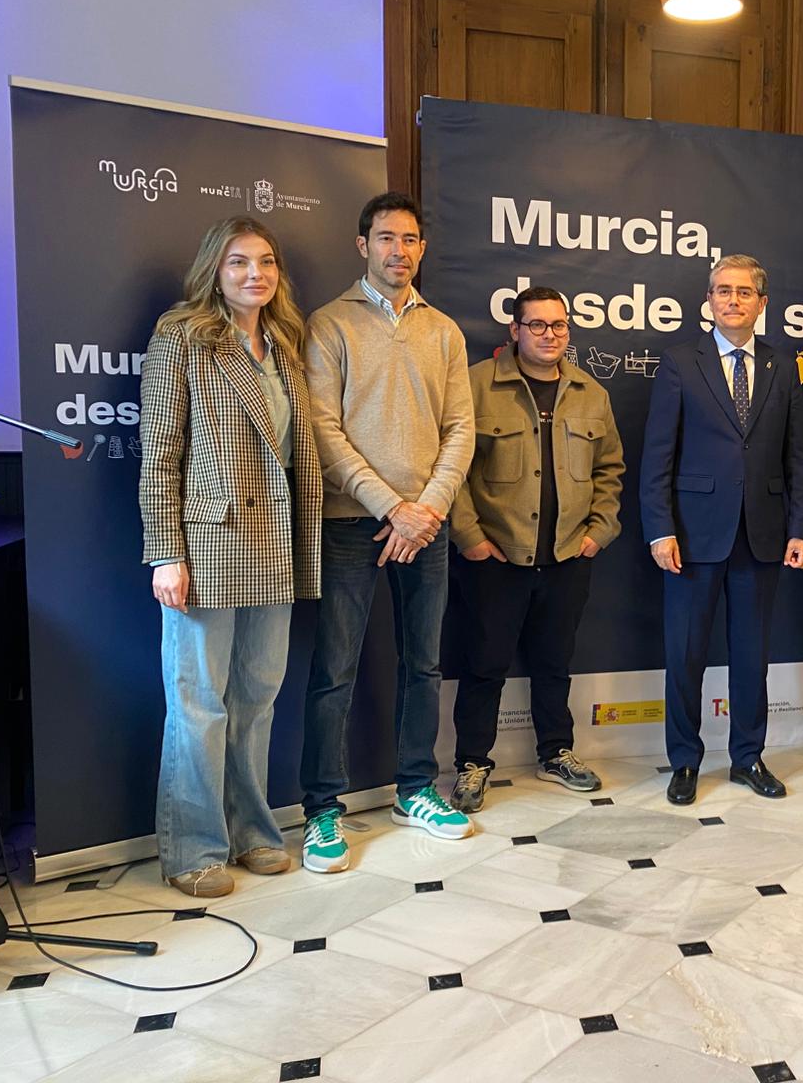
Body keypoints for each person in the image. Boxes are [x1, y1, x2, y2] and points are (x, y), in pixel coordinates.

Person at [138, 216, 323, 897]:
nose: (256, 274)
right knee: (199, 704)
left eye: (266, 261)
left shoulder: (284, 343)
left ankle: (252, 833)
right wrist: (166, 553)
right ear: (214, 270)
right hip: (208, 543)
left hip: (276, 545)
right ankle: (193, 850)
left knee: (256, 700)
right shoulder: (183, 336)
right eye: (239, 261)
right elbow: (160, 453)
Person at [297, 192, 476, 872]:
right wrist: (390, 507)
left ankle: (414, 789)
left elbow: (460, 429)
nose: (398, 251)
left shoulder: (445, 331)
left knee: (423, 665)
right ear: (362, 245)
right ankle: (322, 809)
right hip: (352, 524)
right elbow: (323, 431)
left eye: (409, 239)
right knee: (334, 671)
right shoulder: (329, 324)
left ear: (421, 249)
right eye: (385, 238)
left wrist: (425, 509)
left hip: (427, 526)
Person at [641, 254, 803, 805]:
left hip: (762, 535)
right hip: (692, 537)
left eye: (743, 292)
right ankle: (685, 760)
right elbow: (658, 456)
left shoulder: (783, 366)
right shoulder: (679, 362)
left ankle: (748, 757)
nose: (732, 300)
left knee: (751, 655)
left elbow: (798, 456)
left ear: (762, 303)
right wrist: (660, 529)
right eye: (722, 291)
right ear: (709, 301)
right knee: (685, 654)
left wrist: (800, 528)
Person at [446, 287, 624, 809]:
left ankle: (556, 752)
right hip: (496, 559)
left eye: (559, 325)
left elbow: (610, 469)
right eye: (538, 325)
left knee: (554, 663)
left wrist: (599, 531)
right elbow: (452, 469)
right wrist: (470, 537)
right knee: (484, 665)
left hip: (568, 556)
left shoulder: (590, 392)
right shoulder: (477, 384)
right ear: (515, 330)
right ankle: (472, 763)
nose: (551, 335)